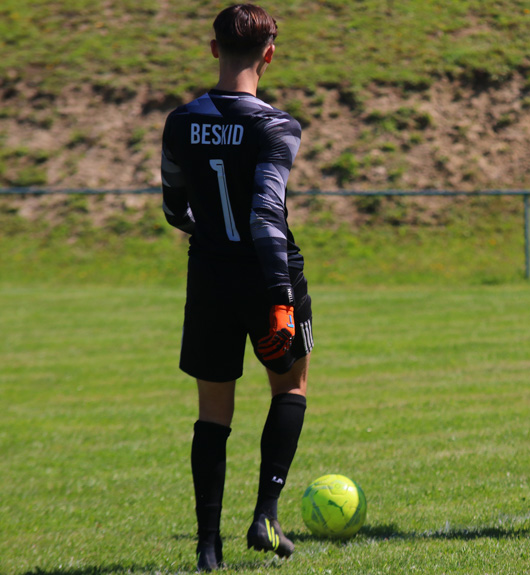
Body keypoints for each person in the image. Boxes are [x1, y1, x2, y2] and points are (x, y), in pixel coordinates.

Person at [160, 4, 312, 570]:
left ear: (214, 48)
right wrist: (279, 298)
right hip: (268, 275)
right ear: (268, 54)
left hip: (210, 276)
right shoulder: (277, 125)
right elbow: (267, 216)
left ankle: (207, 546)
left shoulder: (180, 122)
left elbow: (175, 207)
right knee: (290, 388)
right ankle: (266, 517)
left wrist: (210, 240)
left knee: (213, 412)